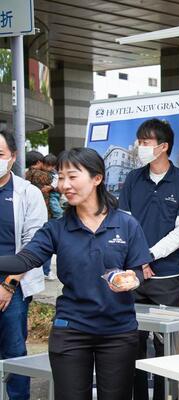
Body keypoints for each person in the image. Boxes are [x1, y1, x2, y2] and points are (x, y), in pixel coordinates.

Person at [0, 147, 153, 400]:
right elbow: (24, 260)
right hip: (71, 330)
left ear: (97, 178)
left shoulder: (126, 224)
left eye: (72, 176)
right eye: (61, 177)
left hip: (118, 331)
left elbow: (138, 270)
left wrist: (133, 279)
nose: (64, 185)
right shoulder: (56, 229)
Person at [119, 118, 179, 400]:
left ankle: (166, 395)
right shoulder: (133, 179)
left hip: (167, 278)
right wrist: (138, 259)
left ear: (163, 147)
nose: (139, 147)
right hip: (134, 276)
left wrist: (148, 255)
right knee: (134, 343)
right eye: (139, 141)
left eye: (145, 142)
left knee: (166, 347)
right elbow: (124, 222)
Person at [0, 131, 47, 400]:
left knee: (14, 351)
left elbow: (33, 242)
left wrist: (9, 284)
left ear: (13, 156)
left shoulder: (28, 193)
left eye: (0, 154)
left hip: (14, 283)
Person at [25, 150, 54, 279]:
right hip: (44, 211)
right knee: (46, 241)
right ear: (38, 162)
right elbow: (53, 179)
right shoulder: (43, 175)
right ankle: (46, 271)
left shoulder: (26, 174)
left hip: (29, 211)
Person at [43, 153, 64, 220]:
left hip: (54, 192)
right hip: (52, 191)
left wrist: (50, 187)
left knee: (53, 203)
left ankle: (59, 215)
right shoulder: (45, 171)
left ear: (54, 166)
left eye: (49, 166)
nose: (47, 168)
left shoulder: (54, 173)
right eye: (45, 165)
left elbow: (56, 180)